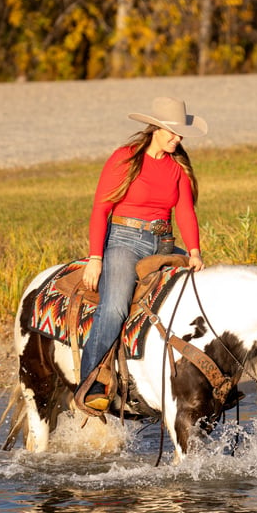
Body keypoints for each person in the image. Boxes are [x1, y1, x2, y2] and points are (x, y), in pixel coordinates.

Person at [78, 96, 208, 412]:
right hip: (123, 240)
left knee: (196, 293)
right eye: (173, 133)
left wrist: (194, 252)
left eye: (180, 135)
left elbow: (185, 212)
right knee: (115, 307)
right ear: (156, 128)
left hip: (162, 243)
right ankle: (92, 383)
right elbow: (101, 208)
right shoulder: (125, 159)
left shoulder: (177, 166)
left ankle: (202, 378)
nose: (178, 139)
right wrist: (96, 257)